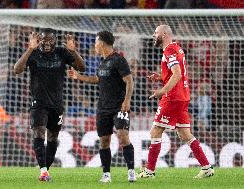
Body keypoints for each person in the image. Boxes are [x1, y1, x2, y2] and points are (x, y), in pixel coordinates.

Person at [138, 25, 214, 179]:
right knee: (185, 134)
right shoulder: (177, 48)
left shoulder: (169, 50)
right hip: (183, 96)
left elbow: (177, 74)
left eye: (156, 32)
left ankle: (149, 171)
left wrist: (162, 90)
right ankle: (206, 167)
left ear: (164, 34)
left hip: (172, 97)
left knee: (155, 131)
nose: (153, 35)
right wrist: (160, 76)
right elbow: (175, 72)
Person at [14, 28, 85, 181]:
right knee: (39, 132)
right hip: (38, 103)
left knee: (53, 137)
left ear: (55, 40)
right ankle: (43, 171)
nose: (46, 43)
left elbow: (82, 67)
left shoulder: (62, 53)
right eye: (43, 40)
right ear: (39, 40)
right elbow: (17, 69)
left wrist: (73, 51)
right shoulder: (33, 53)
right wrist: (29, 49)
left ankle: (46, 170)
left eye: (49, 40)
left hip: (57, 104)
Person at [67, 31, 136, 183]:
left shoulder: (119, 60)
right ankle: (106, 175)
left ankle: (131, 171)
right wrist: (79, 77)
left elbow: (129, 81)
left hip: (119, 107)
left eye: (96, 42)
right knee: (104, 141)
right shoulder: (103, 62)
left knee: (123, 137)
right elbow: (98, 79)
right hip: (103, 108)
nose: (94, 45)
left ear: (103, 43)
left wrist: (127, 101)